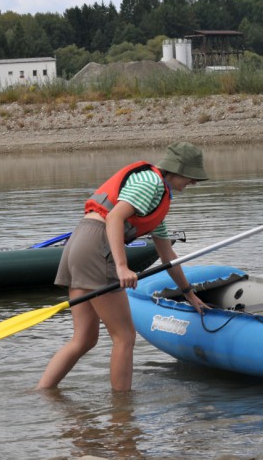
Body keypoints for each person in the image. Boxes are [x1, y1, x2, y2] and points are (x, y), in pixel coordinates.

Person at [37, 142, 210, 392]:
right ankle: (122, 413)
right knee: (125, 337)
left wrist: (189, 294)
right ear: (176, 170)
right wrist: (121, 266)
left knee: (84, 339)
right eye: (192, 176)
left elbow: (167, 256)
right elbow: (115, 217)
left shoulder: (159, 203)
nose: (193, 182)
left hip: (79, 244)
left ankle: (42, 392)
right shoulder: (151, 182)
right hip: (97, 245)